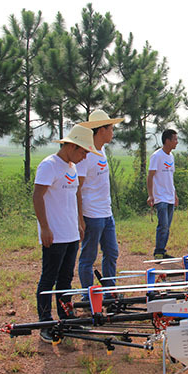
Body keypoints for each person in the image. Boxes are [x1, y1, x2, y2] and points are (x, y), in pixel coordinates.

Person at [33, 125, 102, 342]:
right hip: (54, 235)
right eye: (83, 152)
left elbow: (74, 198)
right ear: (71, 146)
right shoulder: (49, 166)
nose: (84, 157)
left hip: (71, 233)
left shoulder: (71, 167)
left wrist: (79, 223)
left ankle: (66, 317)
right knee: (48, 279)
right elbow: (37, 197)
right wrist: (44, 227)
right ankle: (45, 322)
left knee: (65, 279)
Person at [77, 109, 124, 297]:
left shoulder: (102, 150)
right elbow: (77, 189)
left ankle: (109, 292)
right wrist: (80, 219)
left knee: (112, 252)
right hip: (91, 214)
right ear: (101, 130)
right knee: (88, 258)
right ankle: (88, 296)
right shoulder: (85, 154)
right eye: (111, 128)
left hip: (106, 212)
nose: (113, 132)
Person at [147, 129, 179, 259]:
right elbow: (150, 176)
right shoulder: (157, 156)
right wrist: (150, 195)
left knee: (167, 226)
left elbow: (171, 178)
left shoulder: (171, 157)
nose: (177, 142)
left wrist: (175, 194)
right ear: (167, 141)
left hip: (170, 196)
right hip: (160, 197)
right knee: (163, 225)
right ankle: (158, 252)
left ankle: (162, 250)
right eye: (175, 139)